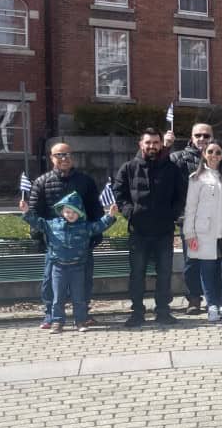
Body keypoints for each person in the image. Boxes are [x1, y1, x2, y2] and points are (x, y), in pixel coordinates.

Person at [115, 128, 186, 327]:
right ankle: (137, 313)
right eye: (148, 142)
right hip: (139, 231)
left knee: (164, 274)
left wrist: (171, 214)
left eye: (156, 142)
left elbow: (180, 196)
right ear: (141, 144)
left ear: (161, 144)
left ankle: (163, 311)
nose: (152, 146)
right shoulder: (128, 168)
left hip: (163, 231)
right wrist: (131, 212)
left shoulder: (172, 169)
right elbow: (119, 194)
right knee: (137, 274)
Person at [28, 142, 103, 329]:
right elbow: (34, 211)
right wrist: (38, 238)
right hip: (54, 246)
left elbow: (95, 209)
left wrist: (96, 235)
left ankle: (83, 315)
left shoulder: (86, 181)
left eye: (68, 154)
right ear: (52, 158)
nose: (64, 158)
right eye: (60, 155)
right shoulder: (41, 182)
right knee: (49, 283)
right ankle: (50, 316)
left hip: (81, 244)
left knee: (84, 282)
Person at [19, 193, 119, 332]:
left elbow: (99, 226)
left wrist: (110, 215)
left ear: (79, 213)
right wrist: (26, 211)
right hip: (58, 268)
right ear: (62, 212)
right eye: (67, 211)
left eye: (73, 212)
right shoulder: (53, 225)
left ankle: (80, 321)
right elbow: (38, 222)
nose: (70, 214)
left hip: (77, 267)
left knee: (79, 297)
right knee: (57, 298)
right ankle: (57, 322)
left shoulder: (85, 226)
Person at [183, 141, 222, 323]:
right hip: (205, 230)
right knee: (207, 269)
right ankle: (211, 305)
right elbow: (190, 208)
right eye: (210, 151)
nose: (214, 155)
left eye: (218, 152)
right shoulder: (196, 178)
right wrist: (190, 233)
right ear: (204, 154)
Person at [166, 122, 213, 314]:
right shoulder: (178, 158)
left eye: (206, 135)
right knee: (192, 260)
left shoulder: (217, 156)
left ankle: (213, 298)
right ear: (191, 138)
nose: (202, 139)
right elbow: (158, 169)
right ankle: (194, 299)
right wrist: (166, 146)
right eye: (198, 135)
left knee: (213, 260)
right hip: (190, 221)